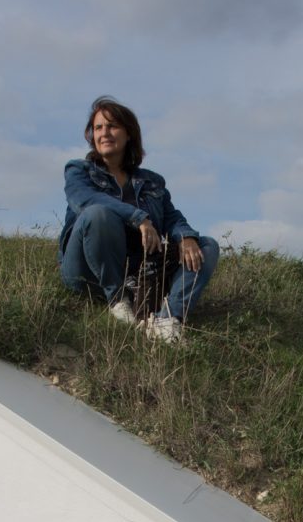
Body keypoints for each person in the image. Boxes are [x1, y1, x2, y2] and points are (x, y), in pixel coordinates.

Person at [58, 97, 219, 343]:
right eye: (98, 128)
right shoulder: (79, 171)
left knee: (206, 245)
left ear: (128, 133)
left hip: (137, 274)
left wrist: (186, 237)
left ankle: (167, 319)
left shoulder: (151, 181)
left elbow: (171, 216)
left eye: (112, 126)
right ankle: (117, 299)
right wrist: (138, 218)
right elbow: (85, 200)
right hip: (87, 271)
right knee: (98, 214)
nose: (104, 133)